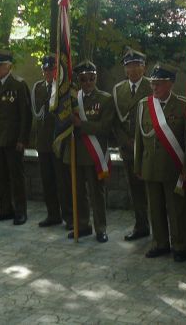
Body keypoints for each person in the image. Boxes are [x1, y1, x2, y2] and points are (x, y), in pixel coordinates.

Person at [135, 63, 186, 262]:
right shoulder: (143, 105)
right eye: (153, 83)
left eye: (159, 83)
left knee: (176, 209)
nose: (154, 87)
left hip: (173, 167)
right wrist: (137, 165)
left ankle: (179, 245)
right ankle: (160, 243)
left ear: (170, 84)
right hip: (150, 166)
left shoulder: (183, 105)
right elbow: (139, 139)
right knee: (155, 209)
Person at [0, 49, 32, 226]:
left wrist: (23, 139)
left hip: (12, 139)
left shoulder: (18, 85)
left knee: (16, 177)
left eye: (0, 65)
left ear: (9, 66)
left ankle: (20, 211)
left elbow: (25, 115)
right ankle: (5, 209)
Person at [68, 60, 115, 242]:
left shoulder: (105, 99)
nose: (88, 82)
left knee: (97, 194)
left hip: (95, 155)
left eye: (91, 78)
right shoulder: (73, 99)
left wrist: (82, 124)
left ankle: (100, 228)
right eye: (84, 79)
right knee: (79, 193)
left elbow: (105, 127)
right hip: (77, 154)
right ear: (79, 80)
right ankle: (83, 226)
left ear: (96, 78)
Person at [112, 48, 152, 241]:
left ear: (144, 68)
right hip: (128, 149)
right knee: (135, 190)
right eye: (129, 66)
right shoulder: (118, 89)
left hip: (149, 149)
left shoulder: (153, 87)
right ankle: (141, 225)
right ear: (125, 69)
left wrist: (142, 141)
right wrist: (125, 141)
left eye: (137, 65)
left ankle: (160, 229)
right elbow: (115, 122)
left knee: (153, 190)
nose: (133, 69)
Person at [31, 54, 70, 227]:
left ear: (57, 70)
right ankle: (53, 214)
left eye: (51, 69)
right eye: (45, 69)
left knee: (63, 182)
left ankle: (69, 217)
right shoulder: (38, 88)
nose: (48, 72)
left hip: (58, 142)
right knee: (47, 182)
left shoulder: (63, 88)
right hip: (43, 142)